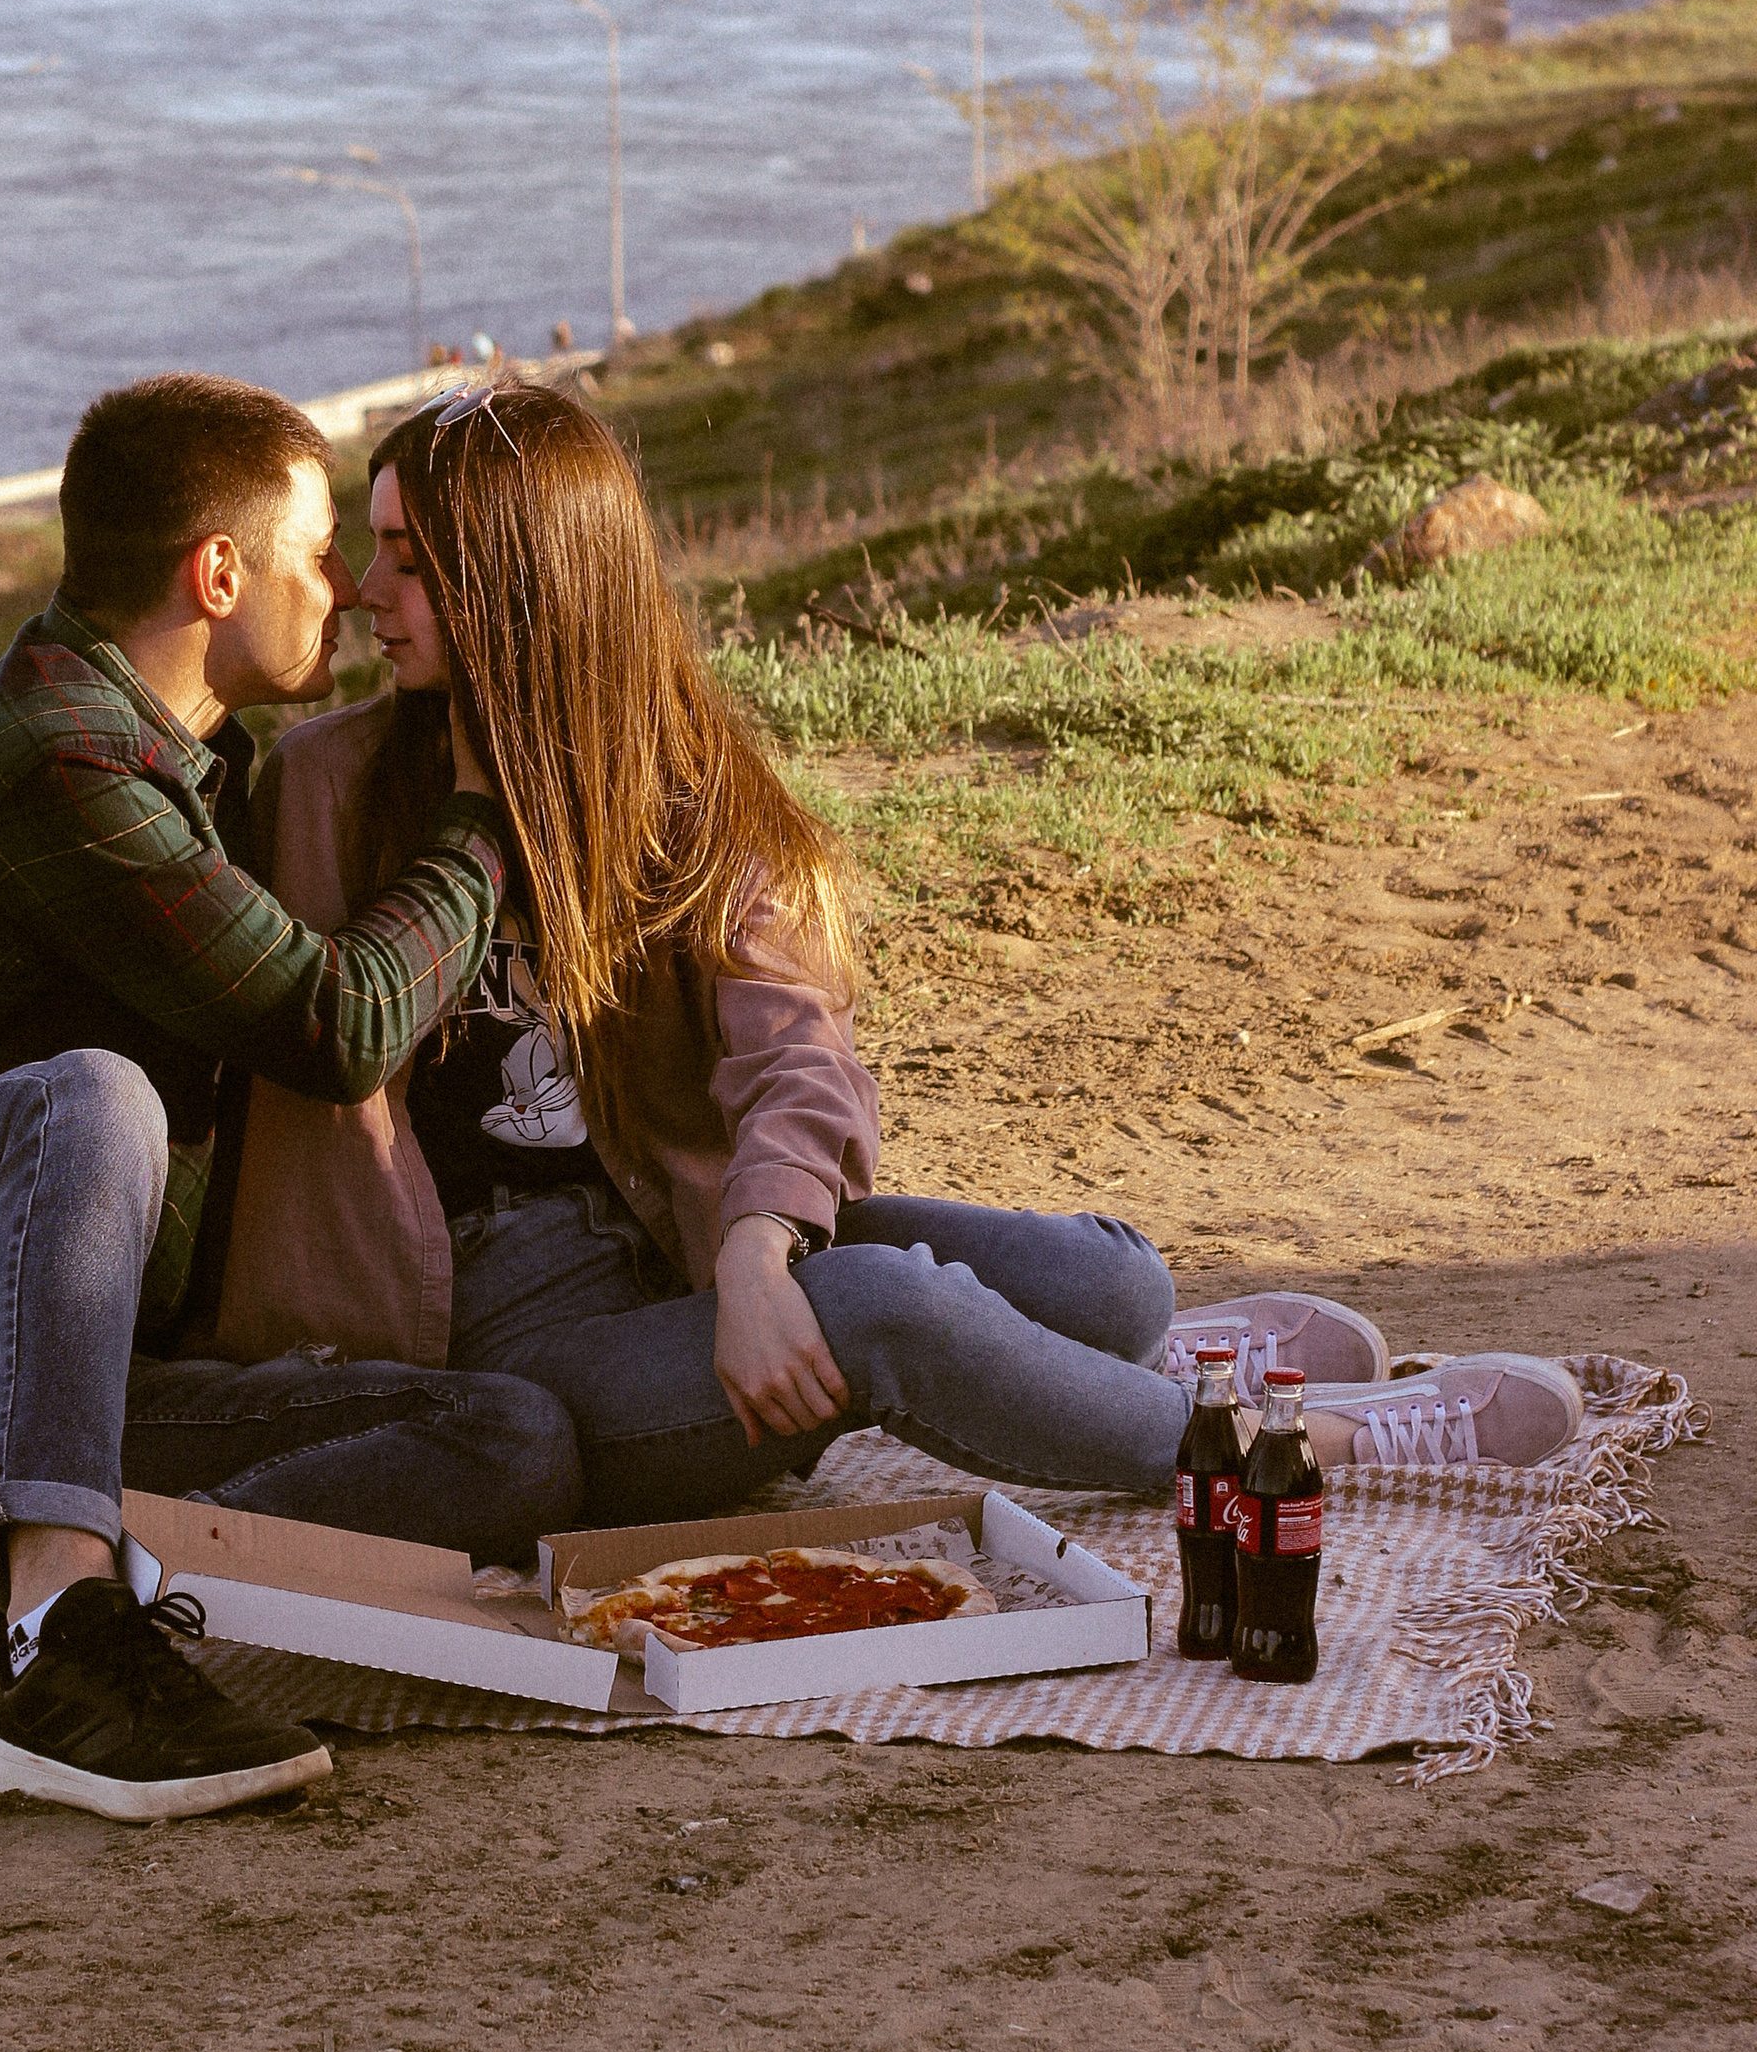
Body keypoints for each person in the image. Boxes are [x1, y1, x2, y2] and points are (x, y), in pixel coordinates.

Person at [216, 381, 1587, 1514]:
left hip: (664, 1234)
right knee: (872, 1312)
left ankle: (1123, 1372)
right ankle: (1293, 1453)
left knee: (1111, 1281)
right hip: (495, 1339)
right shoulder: (327, 788)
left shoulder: (681, 784)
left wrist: (752, 1268)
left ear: (524, 585)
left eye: (410, 560)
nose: (361, 595)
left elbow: (798, 1060)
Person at [0, 372, 581, 1829]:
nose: (347, 591)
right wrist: (481, 820)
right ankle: (59, 1656)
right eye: (318, 552)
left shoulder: (194, 773)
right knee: (90, 1100)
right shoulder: (56, 753)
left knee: (509, 1438)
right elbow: (334, 1023)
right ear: (218, 573)